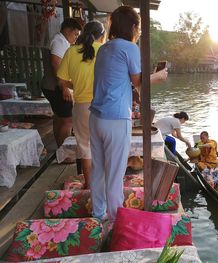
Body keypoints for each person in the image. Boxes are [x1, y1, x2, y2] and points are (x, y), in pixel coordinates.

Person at [89, 6, 168, 224]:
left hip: (96, 117)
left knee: (99, 169)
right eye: (139, 27)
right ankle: (116, 221)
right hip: (115, 119)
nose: (139, 31)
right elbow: (138, 81)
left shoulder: (104, 49)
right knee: (115, 174)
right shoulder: (129, 47)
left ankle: (97, 215)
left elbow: (120, 81)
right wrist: (158, 75)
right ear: (133, 27)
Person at [56, 21, 105, 188]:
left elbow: (61, 80)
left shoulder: (71, 51)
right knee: (105, 145)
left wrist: (75, 84)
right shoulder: (105, 50)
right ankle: (104, 184)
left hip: (82, 107)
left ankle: (89, 186)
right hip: (104, 107)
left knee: (85, 147)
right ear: (102, 36)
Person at [41, 18, 82, 148]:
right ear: (68, 30)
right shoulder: (59, 41)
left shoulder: (59, 40)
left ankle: (60, 149)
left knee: (59, 118)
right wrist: (64, 87)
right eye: (75, 34)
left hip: (51, 86)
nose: (76, 38)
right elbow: (55, 64)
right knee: (67, 119)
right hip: (56, 87)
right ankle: (65, 153)